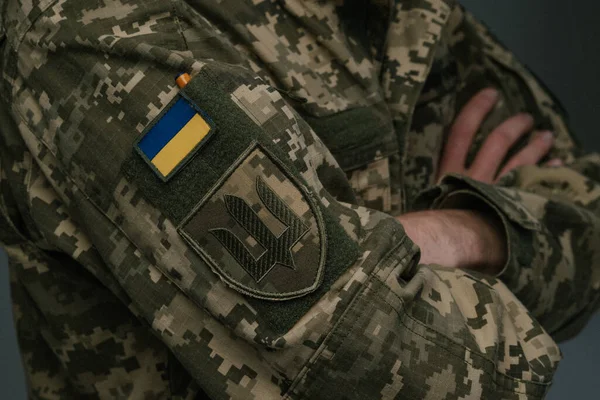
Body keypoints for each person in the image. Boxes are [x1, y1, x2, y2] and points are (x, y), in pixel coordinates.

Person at [0, 0, 598, 398]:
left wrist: (467, 230)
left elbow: (589, 229)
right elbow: (415, 374)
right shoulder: (95, 32)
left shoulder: (386, 12)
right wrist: (502, 238)